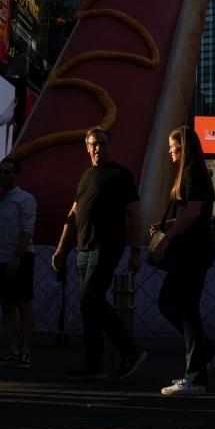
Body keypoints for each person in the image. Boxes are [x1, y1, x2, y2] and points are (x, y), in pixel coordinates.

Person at [52, 127, 148, 380]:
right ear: (87, 146)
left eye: (102, 143)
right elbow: (73, 214)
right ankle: (94, 365)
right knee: (88, 308)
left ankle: (131, 351)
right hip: (82, 250)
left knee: (91, 301)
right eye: (94, 144)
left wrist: (135, 250)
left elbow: (135, 214)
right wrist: (62, 248)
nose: (98, 148)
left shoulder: (121, 175)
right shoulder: (85, 176)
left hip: (106, 247)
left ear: (110, 145)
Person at [149, 126, 215, 397]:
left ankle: (195, 377)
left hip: (193, 251)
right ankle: (208, 355)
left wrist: (167, 238)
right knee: (171, 303)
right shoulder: (192, 173)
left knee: (184, 307)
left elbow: (193, 212)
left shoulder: (191, 171)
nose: (170, 152)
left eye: (173, 147)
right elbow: (194, 212)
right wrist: (166, 224)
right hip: (195, 249)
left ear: (185, 148)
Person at [0, 157, 37, 368]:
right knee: (7, 304)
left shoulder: (25, 198)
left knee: (24, 304)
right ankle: (13, 349)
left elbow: (27, 229)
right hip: (2, 256)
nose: (2, 176)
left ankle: (26, 351)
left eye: (6, 172)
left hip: (22, 256)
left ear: (16, 174)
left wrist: (18, 257)